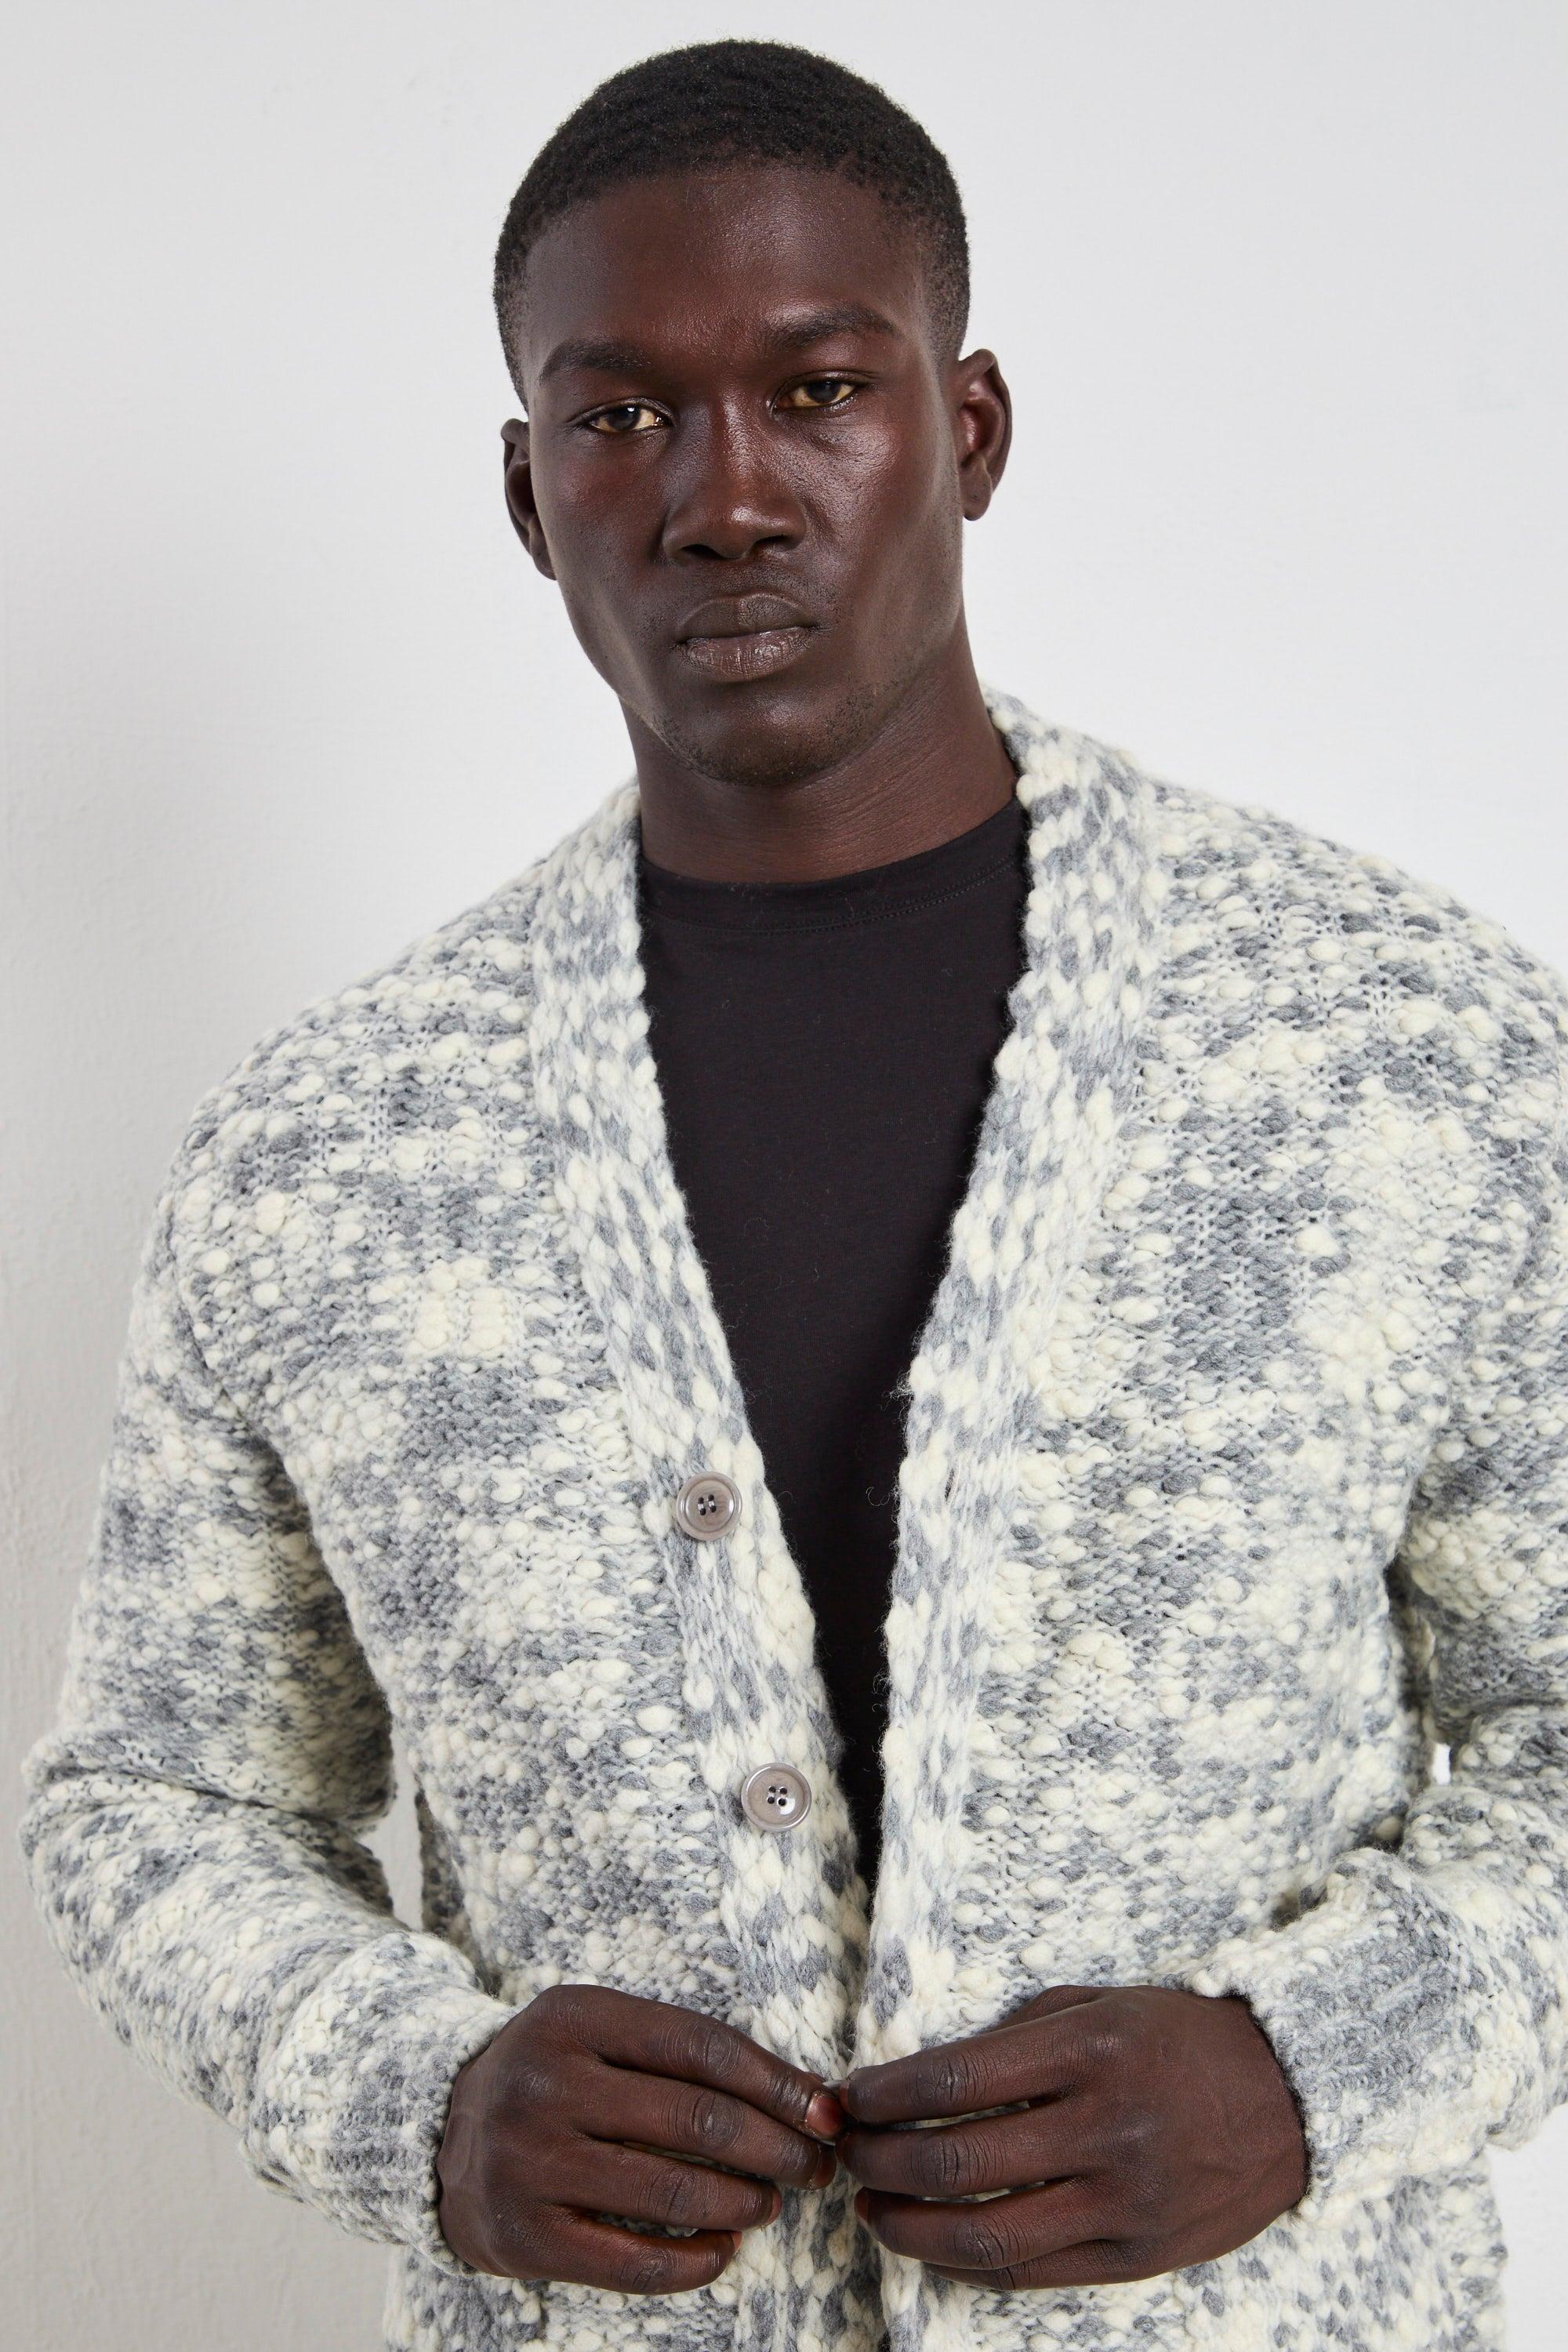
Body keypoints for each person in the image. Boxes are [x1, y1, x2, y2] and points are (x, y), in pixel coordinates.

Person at [18, 35, 1568, 2352]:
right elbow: (155, 1798)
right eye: (621, 415)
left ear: (970, 430)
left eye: (820, 391)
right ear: (529, 492)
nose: (724, 497)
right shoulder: (327, 1152)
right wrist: (419, 2096)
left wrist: (1311, 2067)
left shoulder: (1400, 1042)